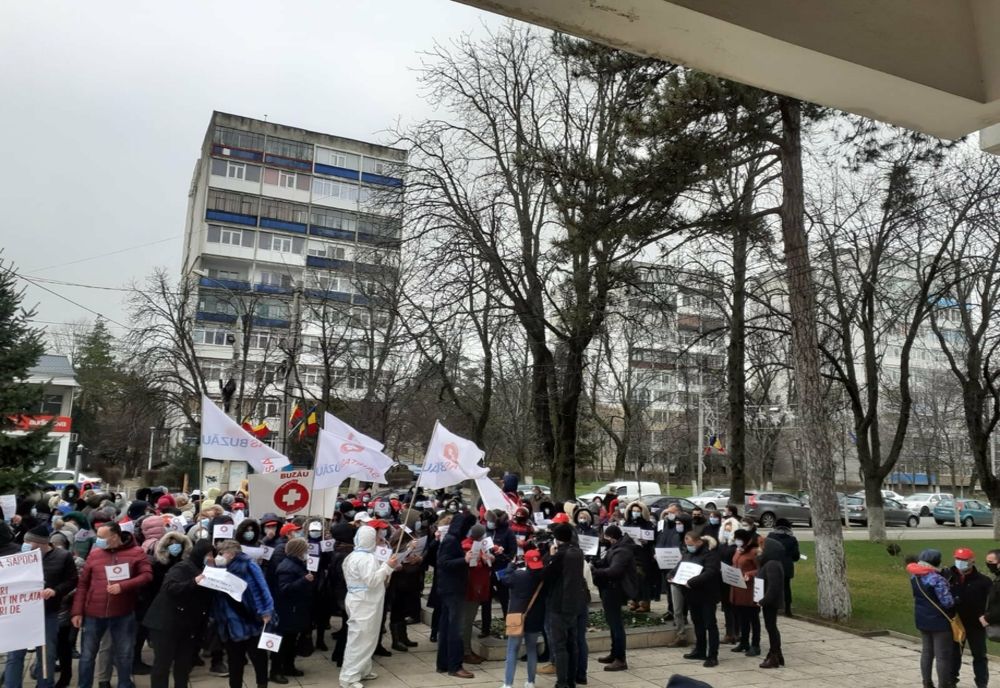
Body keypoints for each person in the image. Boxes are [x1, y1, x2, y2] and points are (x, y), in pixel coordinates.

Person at [72, 521, 153, 688]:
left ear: (115, 537)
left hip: (122, 613)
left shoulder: (136, 552)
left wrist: (123, 586)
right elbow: (82, 585)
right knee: (87, 656)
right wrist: (77, 611)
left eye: (102, 537)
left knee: (124, 654)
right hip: (94, 613)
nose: (98, 540)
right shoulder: (95, 554)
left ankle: (124, 683)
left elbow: (147, 575)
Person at [4, 525, 78, 688]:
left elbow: (72, 580)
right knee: (15, 655)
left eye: (28, 542)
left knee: (46, 654)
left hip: (47, 613)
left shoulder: (63, 556)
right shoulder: (19, 557)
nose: (24, 545)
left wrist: (55, 590)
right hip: (21, 614)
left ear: (40, 543)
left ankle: (45, 684)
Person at [143, 539, 215, 688]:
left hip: (187, 626)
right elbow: (170, 588)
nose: (210, 558)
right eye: (208, 554)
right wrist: (194, 581)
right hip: (166, 624)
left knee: (183, 665)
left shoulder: (206, 571)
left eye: (212, 555)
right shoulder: (183, 567)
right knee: (163, 664)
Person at [339, 525, 398, 688]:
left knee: (368, 638)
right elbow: (371, 581)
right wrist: (387, 567)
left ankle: (362, 669)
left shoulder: (353, 555)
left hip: (361, 600)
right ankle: (349, 677)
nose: (379, 539)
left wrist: (386, 566)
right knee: (360, 639)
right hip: (364, 602)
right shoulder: (365, 558)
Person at [210, 539, 274, 688]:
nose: (219, 556)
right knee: (234, 661)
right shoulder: (220, 568)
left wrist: (266, 611)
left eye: (221, 553)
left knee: (258, 657)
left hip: (251, 618)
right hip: (230, 622)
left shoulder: (248, 565)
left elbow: (262, 588)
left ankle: (262, 684)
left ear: (231, 554)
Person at [543, 523, 587, 688]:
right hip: (574, 603)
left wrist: (551, 556)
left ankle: (562, 682)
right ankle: (571, 680)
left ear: (557, 539)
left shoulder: (560, 555)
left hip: (559, 604)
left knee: (560, 645)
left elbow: (547, 575)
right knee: (572, 643)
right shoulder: (577, 552)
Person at [436, 512, 478, 678]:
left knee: (447, 627)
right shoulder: (451, 541)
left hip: (450, 588)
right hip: (452, 590)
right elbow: (444, 562)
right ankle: (455, 665)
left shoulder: (452, 539)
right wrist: (464, 560)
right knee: (455, 628)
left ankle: (444, 663)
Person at [908, 548, 956, 688]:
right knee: (942, 656)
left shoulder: (914, 576)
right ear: (937, 561)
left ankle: (927, 683)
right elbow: (948, 602)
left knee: (927, 653)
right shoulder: (937, 579)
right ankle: (943, 685)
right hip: (939, 622)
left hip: (922, 619)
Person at [590, 524, 635, 671]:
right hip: (609, 588)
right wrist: (595, 563)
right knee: (612, 623)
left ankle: (620, 659)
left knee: (616, 625)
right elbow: (606, 562)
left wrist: (596, 571)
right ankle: (614, 653)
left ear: (613, 538)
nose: (605, 540)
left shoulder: (622, 551)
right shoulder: (615, 548)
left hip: (614, 590)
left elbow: (615, 570)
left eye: (607, 537)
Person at [500, 547, 546, 688]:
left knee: (512, 649)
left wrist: (511, 565)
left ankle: (508, 683)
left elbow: (504, 579)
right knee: (532, 649)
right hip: (535, 617)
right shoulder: (543, 578)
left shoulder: (518, 575)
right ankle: (531, 681)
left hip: (516, 615)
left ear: (525, 561)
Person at [677, 532, 722, 668]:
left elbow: (710, 572)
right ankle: (700, 650)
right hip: (692, 595)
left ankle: (712, 655)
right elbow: (681, 566)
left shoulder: (710, 555)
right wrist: (672, 575)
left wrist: (692, 581)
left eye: (690, 544)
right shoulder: (688, 553)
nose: (688, 547)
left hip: (707, 595)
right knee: (697, 623)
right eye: (687, 544)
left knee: (710, 624)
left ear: (699, 542)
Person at [946, 547, 989, 688]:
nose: (960, 562)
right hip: (956, 623)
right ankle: (951, 681)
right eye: (958, 559)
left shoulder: (983, 581)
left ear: (972, 561)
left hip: (976, 625)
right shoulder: (948, 577)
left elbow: (991, 602)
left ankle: (981, 683)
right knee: (954, 655)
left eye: (963, 560)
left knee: (980, 656)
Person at [272, 537, 313, 683]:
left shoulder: (296, 564)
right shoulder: (287, 567)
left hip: (295, 609)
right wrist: (304, 581)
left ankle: (288, 666)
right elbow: (285, 589)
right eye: (305, 549)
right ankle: (276, 670)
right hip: (288, 610)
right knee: (283, 642)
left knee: (290, 641)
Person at [461, 523, 493, 664]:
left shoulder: (478, 544)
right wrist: (482, 560)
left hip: (478, 587)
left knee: (468, 620)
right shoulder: (469, 546)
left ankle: (465, 649)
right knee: (467, 621)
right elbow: (474, 565)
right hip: (472, 588)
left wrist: (489, 558)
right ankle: (465, 651)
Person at [755, 538, 786, 669]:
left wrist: (763, 601)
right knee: (771, 627)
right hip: (769, 601)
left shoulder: (772, 564)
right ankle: (777, 654)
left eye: (762, 547)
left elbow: (774, 586)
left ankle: (774, 655)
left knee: (771, 628)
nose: (759, 549)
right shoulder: (769, 563)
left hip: (770, 602)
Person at [729, 529, 760, 657]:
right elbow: (735, 563)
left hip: (750, 589)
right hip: (737, 588)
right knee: (742, 618)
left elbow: (761, 569)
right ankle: (744, 642)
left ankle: (755, 645)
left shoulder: (754, 552)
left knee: (753, 618)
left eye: (738, 538)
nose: (736, 541)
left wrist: (750, 574)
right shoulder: (738, 550)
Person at [622, 500, 655, 613]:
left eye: (638, 511)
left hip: (643, 554)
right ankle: (633, 600)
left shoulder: (647, 524)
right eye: (633, 511)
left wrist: (645, 541)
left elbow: (652, 538)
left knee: (643, 578)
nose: (635, 513)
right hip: (630, 553)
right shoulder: (627, 523)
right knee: (632, 578)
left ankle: (644, 602)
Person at [766, 519, 800, 617]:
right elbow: (796, 556)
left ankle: (774, 607)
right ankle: (788, 609)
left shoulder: (771, 537)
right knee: (786, 587)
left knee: (772, 586)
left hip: (772, 565)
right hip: (786, 566)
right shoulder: (792, 539)